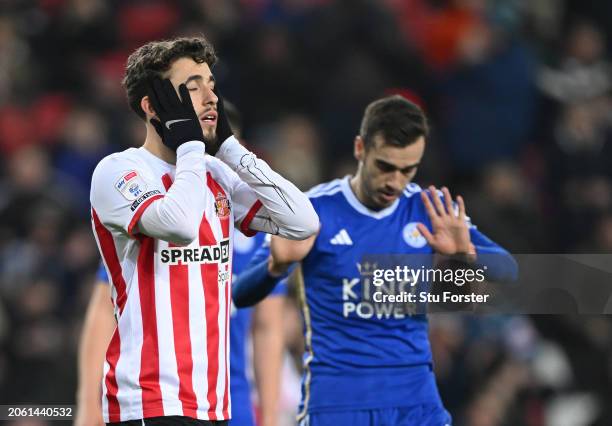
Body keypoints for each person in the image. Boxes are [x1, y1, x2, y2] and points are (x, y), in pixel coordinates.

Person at [232, 95, 518, 426]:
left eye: (408, 170)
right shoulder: (314, 210)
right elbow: (240, 294)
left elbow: (509, 271)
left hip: (415, 403)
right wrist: (275, 268)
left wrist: (465, 255)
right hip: (338, 405)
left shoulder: (429, 210)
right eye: (385, 166)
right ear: (360, 149)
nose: (395, 181)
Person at [89, 36, 318, 425]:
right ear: (152, 106)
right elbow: (179, 224)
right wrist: (192, 147)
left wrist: (229, 147)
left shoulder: (215, 175)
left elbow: (302, 222)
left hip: (213, 404)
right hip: (149, 401)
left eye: (212, 85)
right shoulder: (119, 171)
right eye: (193, 88)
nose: (211, 97)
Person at [77, 102, 286, 426]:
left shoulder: (257, 234)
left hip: (229, 396)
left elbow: (267, 327)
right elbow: (105, 313)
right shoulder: (155, 218)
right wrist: (89, 405)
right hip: (158, 392)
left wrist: (270, 417)